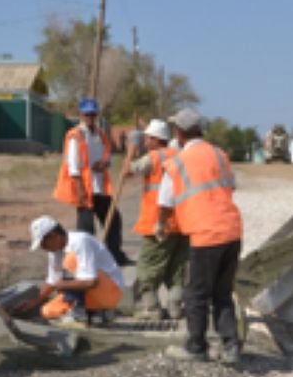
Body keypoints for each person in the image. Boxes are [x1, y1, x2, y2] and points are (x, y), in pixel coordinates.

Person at [157, 108, 243, 364]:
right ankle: (230, 346)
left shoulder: (178, 162)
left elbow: (165, 200)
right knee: (222, 293)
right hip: (232, 230)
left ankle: (196, 346)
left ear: (179, 132)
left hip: (206, 235)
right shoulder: (219, 155)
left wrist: (161, 225)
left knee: (196, 294)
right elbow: (230, 186)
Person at [123, 118, 190, 320]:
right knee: (176, 268)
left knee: (147, 266)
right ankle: (175, 308)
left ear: (155, 140)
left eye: (147, 138)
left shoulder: (153, 158)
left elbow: (127, 171)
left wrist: (130, 151)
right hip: (182, 224)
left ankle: (151, 308)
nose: (145, 141)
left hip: (158, 223)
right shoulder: (182, 157)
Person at [52, 98, 132, 265]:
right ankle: (86, 261)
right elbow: (73, 166)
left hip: (99, 187)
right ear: (81, 114)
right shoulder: (75, 135)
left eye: (93, 114)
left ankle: (114, 256)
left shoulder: (100, 135)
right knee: (87, 229)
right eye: (87, 114)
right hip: (84, 189)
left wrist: (105, 163)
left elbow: (107, 154)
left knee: (113, 220)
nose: (90, 116)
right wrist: (80, 190)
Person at [26, 215, 124, 327]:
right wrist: (35, 302)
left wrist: (63, 285)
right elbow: (52, 280)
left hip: (110, 291)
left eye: (43, 244)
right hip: (90, 292)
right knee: (47, 311)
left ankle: (81, 313)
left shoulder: (80, 241)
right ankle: (95, 313)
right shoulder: (54, 251)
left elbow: (90, 281)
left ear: (54, 236)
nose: (43, 248)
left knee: (70, 260)